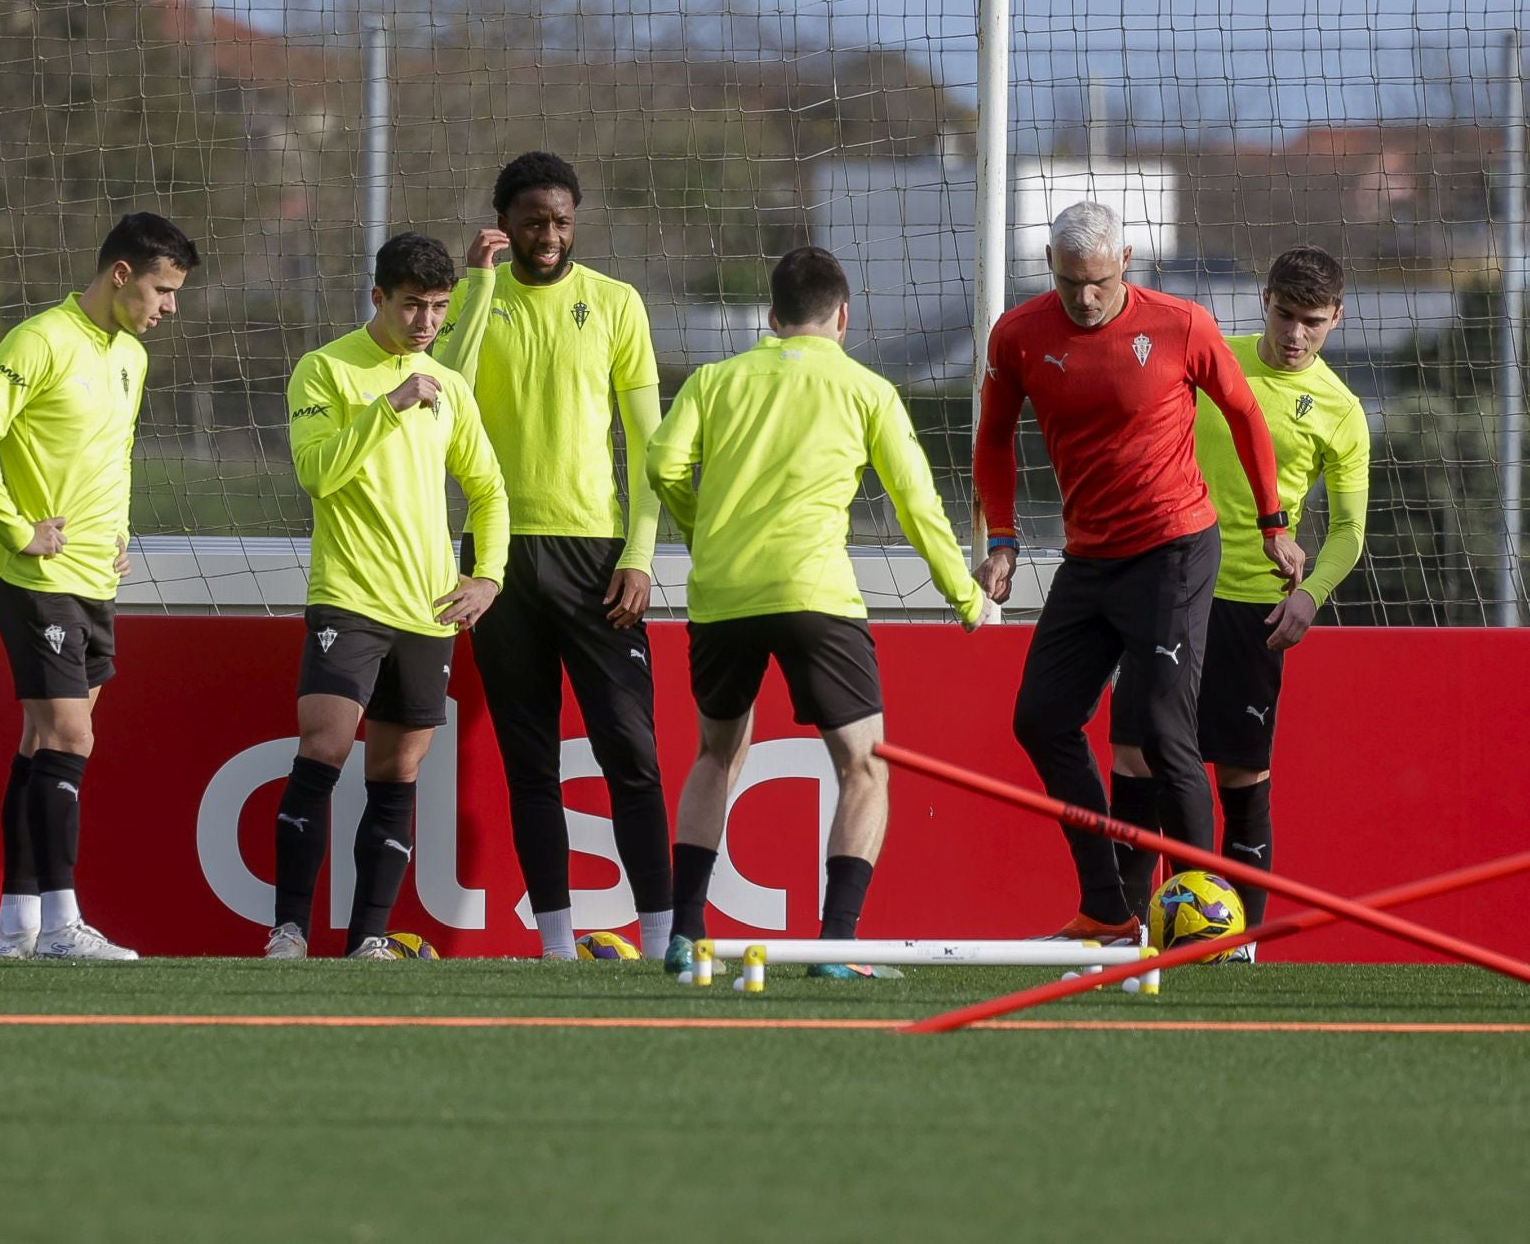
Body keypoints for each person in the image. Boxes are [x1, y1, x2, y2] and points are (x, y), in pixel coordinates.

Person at [647, 247, 989, 977]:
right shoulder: (867, 388)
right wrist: (964, 596)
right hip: (815, 597)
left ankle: (682, 936)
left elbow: (661, 465)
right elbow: (918, 505)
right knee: (864, 768)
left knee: (716, 756)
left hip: (723, 595)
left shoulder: (714, 380)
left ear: (771, 319)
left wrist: (700, 530)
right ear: (843, 316)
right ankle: (834, 947)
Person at [972, 200, 1304, 941]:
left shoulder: (1181, 324)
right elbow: (993, 439)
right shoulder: (1019, 335)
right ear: (1050, 271)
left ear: (1125, 263)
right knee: (1040, 718)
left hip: (1175, 551)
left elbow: (1246, 413)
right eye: (1068, 284)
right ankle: (1109, 907)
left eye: (1096, 282)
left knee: (1161, 727)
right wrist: (1002, 537)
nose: (1084, 300)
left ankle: (1209, 926)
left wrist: (1273, 521)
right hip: (1089, 559)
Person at [432, 151, 673, 961]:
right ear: (503, 220)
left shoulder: (615, 303)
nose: (549, 235)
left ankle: (666, 935)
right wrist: (474, 286)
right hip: (497, 556)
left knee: (630, 753)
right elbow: (443, 391)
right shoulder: (476, 300)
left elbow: (650, 447)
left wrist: (639, 554)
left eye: (562, 221)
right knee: (528, 759)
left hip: (595, 556)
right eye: (534, 220)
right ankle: (559, 947)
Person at [0, 212, 199, 961]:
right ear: (120, 274)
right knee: (69, 736)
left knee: (40, 743)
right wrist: (16, 526)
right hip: (36, 575)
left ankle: (15, 926)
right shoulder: (42, 340)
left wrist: (115, 534)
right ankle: (62, 924)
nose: (170, 306)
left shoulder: (130, 356)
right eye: (162, 288)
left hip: (93, 575)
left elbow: (109, 454)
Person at [1109, 245, 1369, 955]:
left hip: (1252, 606)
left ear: (1337, 318)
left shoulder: (1342, 413)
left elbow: (1348, 533)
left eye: (1312, 322)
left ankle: (1238, 940)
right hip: (1169, 584)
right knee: (1134, 755)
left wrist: (1310, 598)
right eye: (1286, 316)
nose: (1295, 336)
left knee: (1241, 773)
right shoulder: (1209, 358)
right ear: (1264, 302)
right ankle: (1123, 931)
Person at [263, 232, 508, 960]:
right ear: (379, 298)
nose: (426, 323)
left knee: (397, 774)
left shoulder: (450, 388)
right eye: (412, 307)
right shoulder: (326, 370)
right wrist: (389, 406)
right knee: (325, 746)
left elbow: (490, 491)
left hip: (428, 609)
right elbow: (317, 474)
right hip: (349, 598)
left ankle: (369, 938)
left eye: (437, 308)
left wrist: (487, 576)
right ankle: (288, 931)